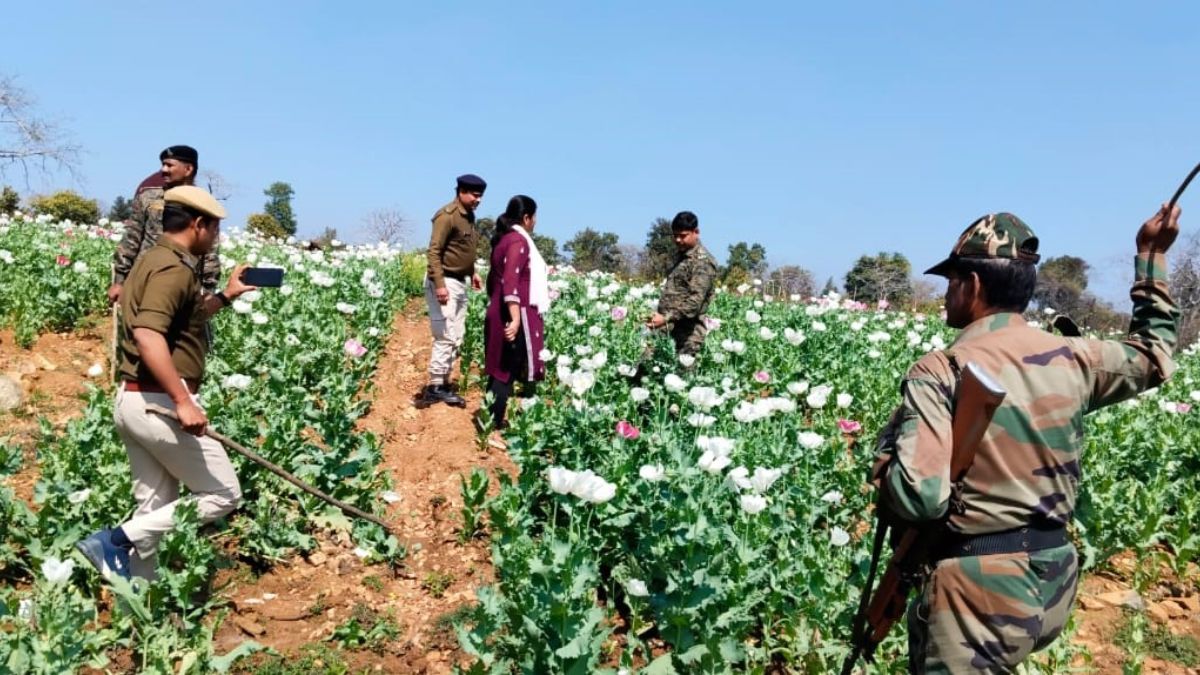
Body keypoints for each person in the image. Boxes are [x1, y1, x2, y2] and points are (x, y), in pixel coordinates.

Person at [871, 207, 1180, 673]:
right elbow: (1153, 353)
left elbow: (921, 499)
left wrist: (883, 468)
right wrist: (1151, 255)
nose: (947, 293)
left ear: (972, 286)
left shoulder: (942, 369)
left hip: (976, 596)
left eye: (951, 281)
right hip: (1051, 582)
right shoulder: (1077, 358)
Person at [76, 186, 256, 581]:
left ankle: (139, 606)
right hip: (159, 404)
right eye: (215, 230)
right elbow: (148, 335)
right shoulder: (174, 269)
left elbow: (180, 321)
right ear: (198, 224)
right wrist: (183, 401)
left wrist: (226, 295)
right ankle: (114, 541)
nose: (217, 238)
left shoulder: (153, 260)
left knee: (154, 509)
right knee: (224, 494)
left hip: (135, 401)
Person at [108, 145, 222, 304]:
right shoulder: (147, 197)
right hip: (145, 277)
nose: (163, 170)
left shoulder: (203, 204)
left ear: (188, 169)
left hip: (184, 282)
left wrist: (208, 289)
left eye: (169, 165)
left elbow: (210, 251)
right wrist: (119, 281)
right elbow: (131, 239)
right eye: (163, 164)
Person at [481, 195, 548, 447]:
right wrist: (516, 318)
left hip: (499, 311)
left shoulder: (504, 239)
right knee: (505, 371)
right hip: (510, 315)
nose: (536, 222)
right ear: (527, 217)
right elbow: (511, 281)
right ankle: (492, 429)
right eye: (535, 217)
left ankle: (490, 422)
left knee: (500, 368)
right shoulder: (519, 241)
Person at [422, 173, 486, 407]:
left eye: (480, 196)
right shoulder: (446, 216)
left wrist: (473, 272)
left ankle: (444, 381)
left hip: (459, 281)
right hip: (445, 281)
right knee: (446, 334)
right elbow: (434, 251)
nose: (478, 200)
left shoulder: (469, 217)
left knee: (456, 334)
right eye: (474, 195)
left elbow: (462, 250)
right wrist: (439, 285)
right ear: (460, 192)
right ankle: (435, 386)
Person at [646, 211, 719, 357]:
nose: (678, 240)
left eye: (683, 235)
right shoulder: (681, 258)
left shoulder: (702, 262)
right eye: (675, 236)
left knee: (681, 378)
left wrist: (665, 318)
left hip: (687, 336)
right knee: (642, 372)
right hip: (666, 329)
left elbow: (694, 303)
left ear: (696, 232)